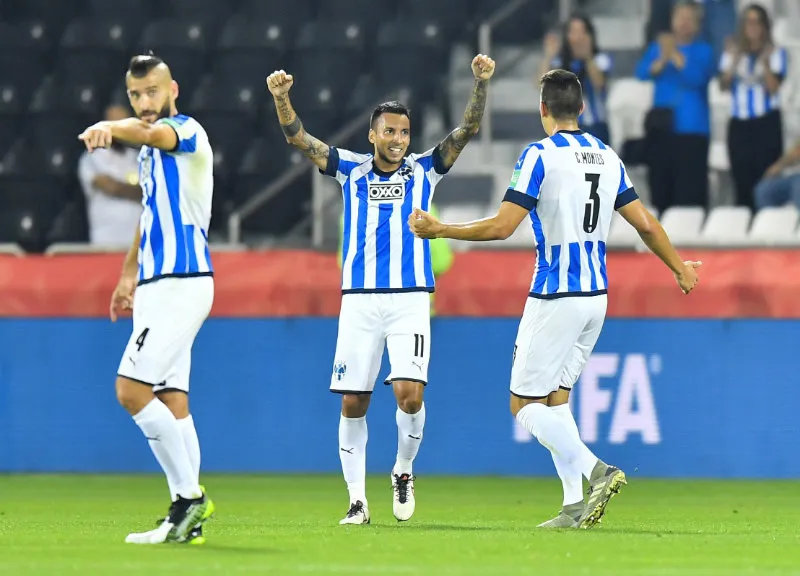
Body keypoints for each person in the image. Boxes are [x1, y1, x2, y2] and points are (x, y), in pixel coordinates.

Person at [408, 69, 701, 529]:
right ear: (581, 109)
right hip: (596, 297)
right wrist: (679, 267)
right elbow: (643, 223)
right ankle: (571, 505)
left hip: (556, 293)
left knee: (523, 406)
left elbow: (503, 226)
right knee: (555, 400)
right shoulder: (607, 156)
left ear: (542, 109)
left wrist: (440, 229)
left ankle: (597, 471)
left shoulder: (539, 155)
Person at [266, 53, 495, 525]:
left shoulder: (424, 170)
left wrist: (479, 85)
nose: (397, 139)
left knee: (410, 395)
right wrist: (282, 98)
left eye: (404, 132)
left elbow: (466, 131)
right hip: (360, 303)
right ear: (372, 134)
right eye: (388, 131)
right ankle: (356, 501)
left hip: (411, 298)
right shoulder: (349, 169)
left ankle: (403, 470)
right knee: (354, 401)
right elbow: (298, 139)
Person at [78, 53, 215, 545]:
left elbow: (155, 133)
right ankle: (186, 524)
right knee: (173, 401)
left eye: (152, 91)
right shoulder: (147, 155)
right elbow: (150, 211)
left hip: (183, 280)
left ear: (172, 88)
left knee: (130, 390)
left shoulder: (187, 131)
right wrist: (127, 272)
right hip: (156, 285)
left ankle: (189, 500)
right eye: (136, 95)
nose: (145, 102)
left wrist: (109, 126)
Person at [636, 1, 715, 212]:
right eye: (680, 18)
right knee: (661, 192)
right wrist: (663, 57)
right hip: (661, 129)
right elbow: (642, 72)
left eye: (690, 19)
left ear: (698, 24)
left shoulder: (704, 50)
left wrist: (675, 55)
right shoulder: (657, 48)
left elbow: (696, 78)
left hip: (692, 131)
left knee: (689, 195)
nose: (684, 24)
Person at [719, 3, 787, 210]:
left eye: (757, 21)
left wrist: (765, 61)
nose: (753, 27)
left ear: (765, 26)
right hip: (740, 125)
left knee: (767, 181)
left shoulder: (776, 53)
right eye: (748, 22)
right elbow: (723, 85)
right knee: (742, 180)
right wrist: (735, 58)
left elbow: (774, 87)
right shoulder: (731, 51)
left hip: (766, 122)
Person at [337, 202, 454, 316]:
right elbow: (441, 261)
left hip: (366, 303)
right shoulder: (422, 206)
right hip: (413, 302)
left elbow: (346, 262)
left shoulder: (352, 208)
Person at [539, 14, 612, 143]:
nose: (578, 38)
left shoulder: (600, 59)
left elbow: (600, 84)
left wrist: (587, 57)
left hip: (595, 126)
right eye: (573, 32)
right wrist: (548, 56)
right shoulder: (559, 62)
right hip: (564, 127)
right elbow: (540, 84)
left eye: (582, 32)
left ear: (590, 36)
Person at [77, 104, 142, 245]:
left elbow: (151, 191)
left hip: (137, 241)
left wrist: (124, 188)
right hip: (106, 240)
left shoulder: (139, 157)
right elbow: (110, 187)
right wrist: (136, 190)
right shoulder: (91, 157)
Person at [753, 139, 800, 210]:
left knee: (798, 187)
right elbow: (797, 150)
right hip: (794, 175)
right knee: (764, 190)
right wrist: (778, 166)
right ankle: (771, 220)